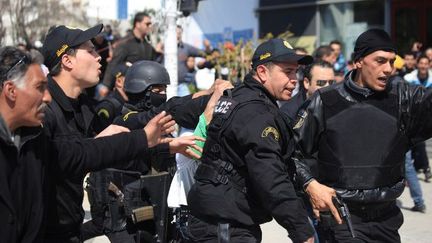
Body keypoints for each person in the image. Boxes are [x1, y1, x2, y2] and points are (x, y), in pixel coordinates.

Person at [0, 46, 186, 242]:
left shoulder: (32, 143)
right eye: (39, 88)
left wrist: (145, 139)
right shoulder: (39, 132)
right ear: (11, 91)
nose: (46, 97)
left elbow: (86, 152)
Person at [40, 24, 200, 243]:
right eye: (91, 51)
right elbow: (74, 158)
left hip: (69, 225)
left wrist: (165, 145)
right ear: (67, 61)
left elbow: (113, 144)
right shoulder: (43, 111)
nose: (100, 57)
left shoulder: (83, 108)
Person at [294, 28, 432, 242]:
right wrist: (310, 184)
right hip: (343, 220)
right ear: (358, 61)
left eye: (391, 62)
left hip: (387, 219)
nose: (388, 69)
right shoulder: (325, 102)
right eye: (380, 61)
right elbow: (291, 152)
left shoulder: (402, 98)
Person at [187, 38, 315, 243]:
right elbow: (271, 176)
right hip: (225, 227)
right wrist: (302, 231)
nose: (294, 80)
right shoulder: (256, 113)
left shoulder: (241, 97)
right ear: (263, 72)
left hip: (219, 220)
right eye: (287, 72)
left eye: (296, 72)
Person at [101, 12, 161, 93]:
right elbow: (113, 64)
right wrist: (106, 86)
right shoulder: (125, 43)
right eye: (147, 24)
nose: (150, 26)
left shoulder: (148, 45)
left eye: (150, 24)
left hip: (144, 89)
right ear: (137, 24)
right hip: (126, 90)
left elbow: (153, 63)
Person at [404, 55, 432, 182]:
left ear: (429, 65)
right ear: (417, 64)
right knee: (418, 142)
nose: (423, 66)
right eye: (421, 63)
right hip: (414, 116)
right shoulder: (408, 78)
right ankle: (425, 168)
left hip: (428, 116)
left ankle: (422, 168)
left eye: (426, 63)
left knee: (419, 143)